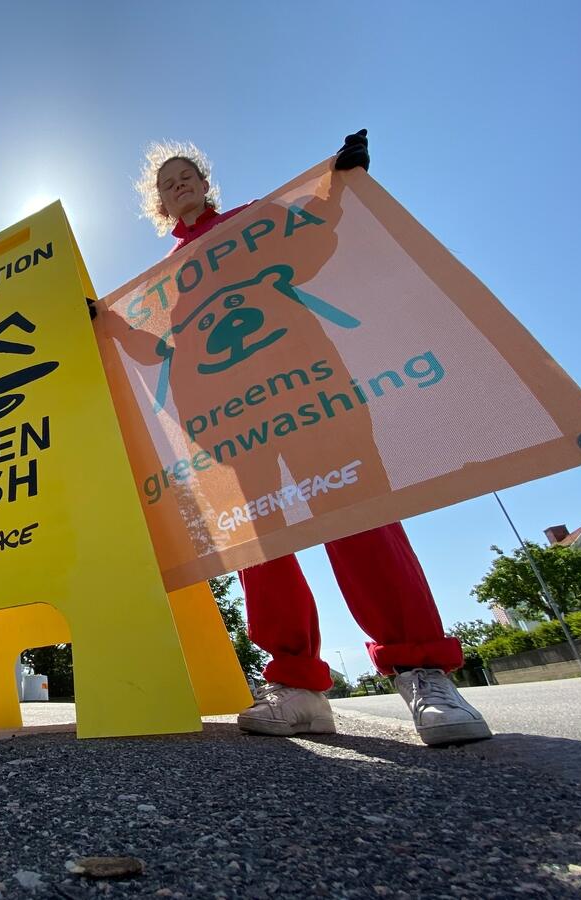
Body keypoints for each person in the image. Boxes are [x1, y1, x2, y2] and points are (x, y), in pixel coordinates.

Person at [132, 131, 491, 747]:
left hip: (307, 385)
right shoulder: (167, 276)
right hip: (231, 413)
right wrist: (104, 320)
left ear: (205, 182)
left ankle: (422, 672)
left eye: (186, 173)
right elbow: (152, 343)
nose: (178, 184)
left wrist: (338, 180)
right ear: (159, 205)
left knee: (356, 512)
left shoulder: (251, 223)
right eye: (167, 183)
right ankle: (298, 689)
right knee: (261, 538)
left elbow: (313, 234)